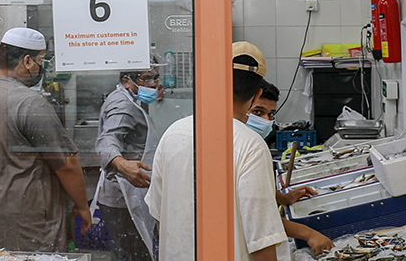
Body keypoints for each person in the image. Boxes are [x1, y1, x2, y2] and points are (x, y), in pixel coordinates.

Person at [144, 49, 288, 261]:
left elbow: (159, 214)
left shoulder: (173, 134)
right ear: (257, 95)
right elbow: (262, 240)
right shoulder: (251, 146)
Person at [0, 27, 91, 252]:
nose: (41, 67)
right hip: (24, 226)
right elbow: (66, 165)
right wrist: (82, 207)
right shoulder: (29, 103)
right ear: (27, 61)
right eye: (41, 61)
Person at [252, 84, 336, 257]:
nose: (266, 120)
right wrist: (309, 234)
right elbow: (257, 216)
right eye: (258, 112)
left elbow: (254, 188)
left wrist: (283, 198)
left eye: (271, 114)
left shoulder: (254, 144)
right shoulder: (237, 148)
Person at [96, 64, 162, 261]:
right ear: (126, 81)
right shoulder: (123, 105)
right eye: (146, 79)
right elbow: (107, 140)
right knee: (132, 254)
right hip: (123, 197)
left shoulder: (127, 98)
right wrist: (122, 164)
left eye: (155, 78)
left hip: (128, 194)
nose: (154, 84)